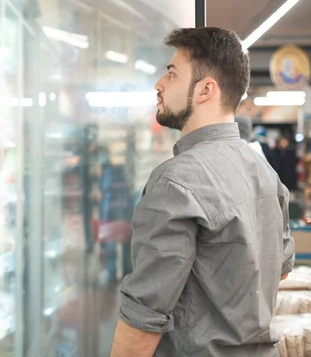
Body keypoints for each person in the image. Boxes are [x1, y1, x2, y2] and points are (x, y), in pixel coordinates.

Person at [110, 27, 295, 357]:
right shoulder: (265, 173)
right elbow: (279, 270)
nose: (159, 84)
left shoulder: (175, 182)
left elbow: (144, 315)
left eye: (172, 74)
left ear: (206, 89)